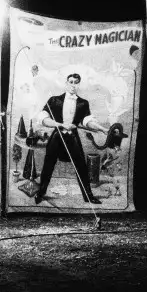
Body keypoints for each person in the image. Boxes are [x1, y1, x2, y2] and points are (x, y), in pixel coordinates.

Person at [33, 73, 109, 205]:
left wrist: (101, 128)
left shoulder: (83, 103)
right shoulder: (54, 100)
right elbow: (43, 118)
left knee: (81, 166)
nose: (73, 85)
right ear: (66, 83)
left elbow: (87, 121)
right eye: (71, 82)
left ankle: (88, 196)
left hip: (73, 137)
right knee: (48, 165)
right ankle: (40, 193)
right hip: (57, 136)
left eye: (76, 82)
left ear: (79, 84)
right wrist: (60, 125)